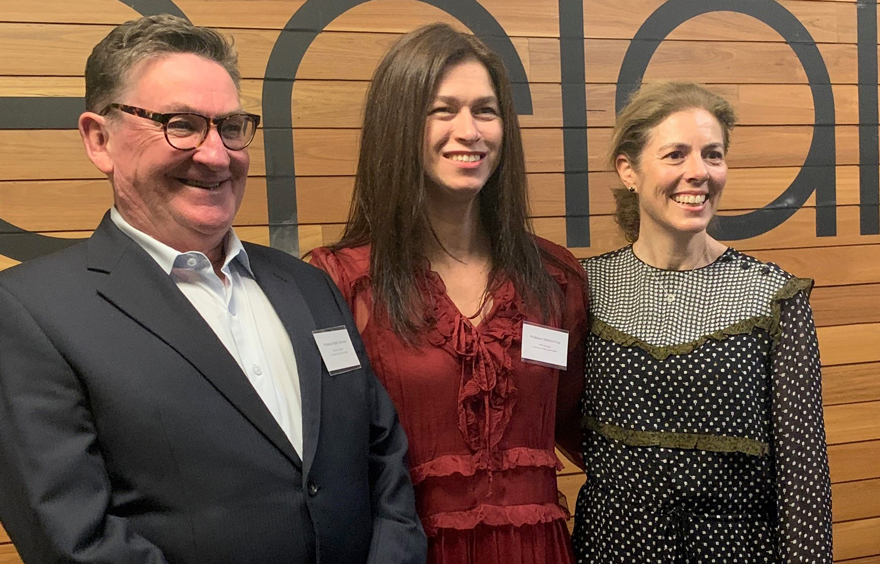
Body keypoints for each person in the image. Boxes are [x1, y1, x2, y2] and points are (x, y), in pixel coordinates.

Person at [0, 14, 426, 564]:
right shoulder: (32, 313)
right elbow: (72, 539)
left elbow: (382, 457)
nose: (216, 154)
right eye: (181, 124)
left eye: (229, 126)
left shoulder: (308, 284)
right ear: (99, 139)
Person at [309, 23, 588, 564]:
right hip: (408, 550)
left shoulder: (554, 276)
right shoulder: (342, 282)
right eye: (443, 110)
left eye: (486, 110)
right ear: (399, 124)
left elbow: (581, 423)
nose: (470, 131)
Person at [572, 81, 832, 563]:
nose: (698, 173)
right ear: (628, 170)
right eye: (675, 155)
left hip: (734, 550)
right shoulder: (584, 288)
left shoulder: (773, 295)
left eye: (712, 155)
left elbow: (804, 476)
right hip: (611, 547)